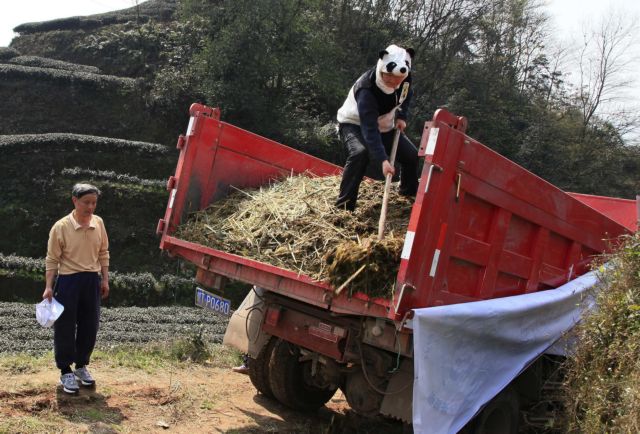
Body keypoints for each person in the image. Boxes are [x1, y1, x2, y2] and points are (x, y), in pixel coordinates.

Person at [43, 183, 110, 394]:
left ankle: (81, 366)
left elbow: (103, 253)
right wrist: (48, 287)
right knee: (64, 326)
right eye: (86, 202)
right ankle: (65, 370)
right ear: (74, 200)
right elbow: (52, 259)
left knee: (90, 326)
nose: (90, 207)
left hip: (91, 280)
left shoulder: (98, 223)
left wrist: (105, 279)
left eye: (94, 203)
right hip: (68, 281)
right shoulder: (61, 227)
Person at [335, 44, 419, 211]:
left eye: (398, 78)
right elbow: (369, 129)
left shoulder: (405, 79)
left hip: (384, 125)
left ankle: (408, 195)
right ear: (382, 68)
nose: (394, 81)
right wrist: (383, 160)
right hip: (355, 123)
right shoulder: (367, 90)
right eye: (389, 76)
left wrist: (402, 116)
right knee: (360, 153)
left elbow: (407, 94)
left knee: (412, 156)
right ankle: (344, 207)